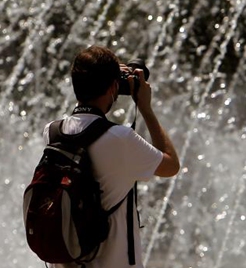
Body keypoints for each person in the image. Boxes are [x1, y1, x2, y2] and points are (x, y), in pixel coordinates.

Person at [43, 45, 181, 267]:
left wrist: (107, 73)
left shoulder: (52, 132)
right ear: (112, 87)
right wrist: (145, 108)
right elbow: (171, 165)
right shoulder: (119, 138)